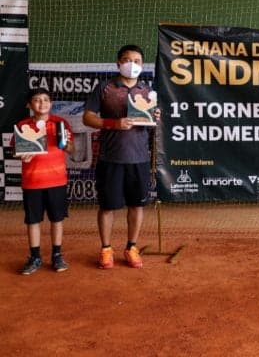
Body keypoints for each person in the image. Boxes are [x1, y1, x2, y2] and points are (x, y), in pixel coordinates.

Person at [83, 44, 158, 269]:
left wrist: (156, 116)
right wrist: (113, 123)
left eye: (136, 61)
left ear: (142, 65)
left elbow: (153, 124)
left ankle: (132, 247)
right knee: (107, 206)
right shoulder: (105, 88)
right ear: (118, 63)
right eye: (127, 60)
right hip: (110, 158)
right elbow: (87, 117)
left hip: (139, 158)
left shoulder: (148, 91)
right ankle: (106, 249)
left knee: (137, 206)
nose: (131, 64)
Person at [13, 88, 74, 275]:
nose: (42, 103)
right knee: (33, 221)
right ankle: (35, 257)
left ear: (51, 103)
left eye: (46, 99)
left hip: (57, 181)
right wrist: (21, 155)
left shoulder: (60, 123)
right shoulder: (22, 126)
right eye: (37, 100)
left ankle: (57, 255)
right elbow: (16, 152)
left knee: (57, 219)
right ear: (29, 105)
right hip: (32, 182)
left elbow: (71, 149)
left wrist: (66, 142)